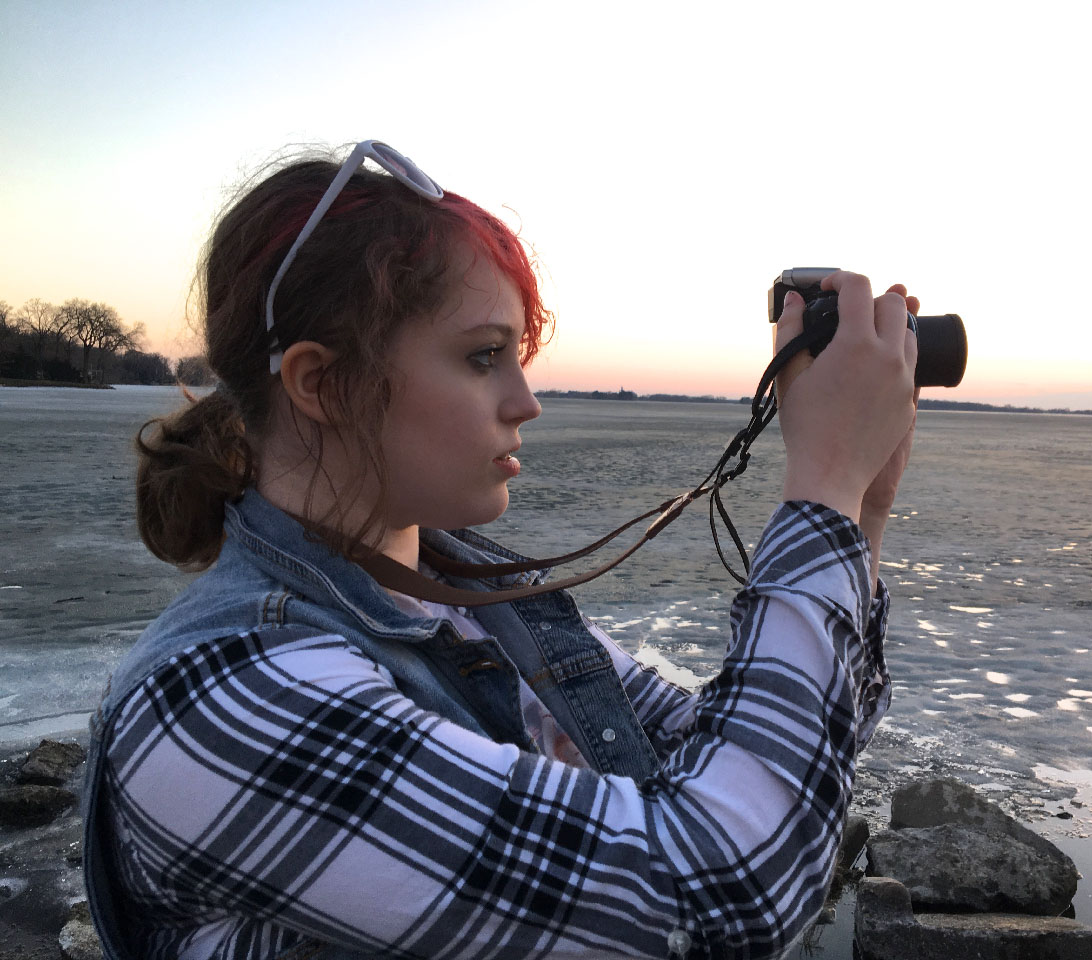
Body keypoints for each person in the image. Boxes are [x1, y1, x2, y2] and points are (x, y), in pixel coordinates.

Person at [82, 139, 919, 960]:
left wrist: (861, 510)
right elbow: (723, 891)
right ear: (322, 383)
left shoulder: (480, 601)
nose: (526, 401)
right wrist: (824, 487)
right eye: (484, 356)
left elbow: (772, 762)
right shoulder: (222, 696)